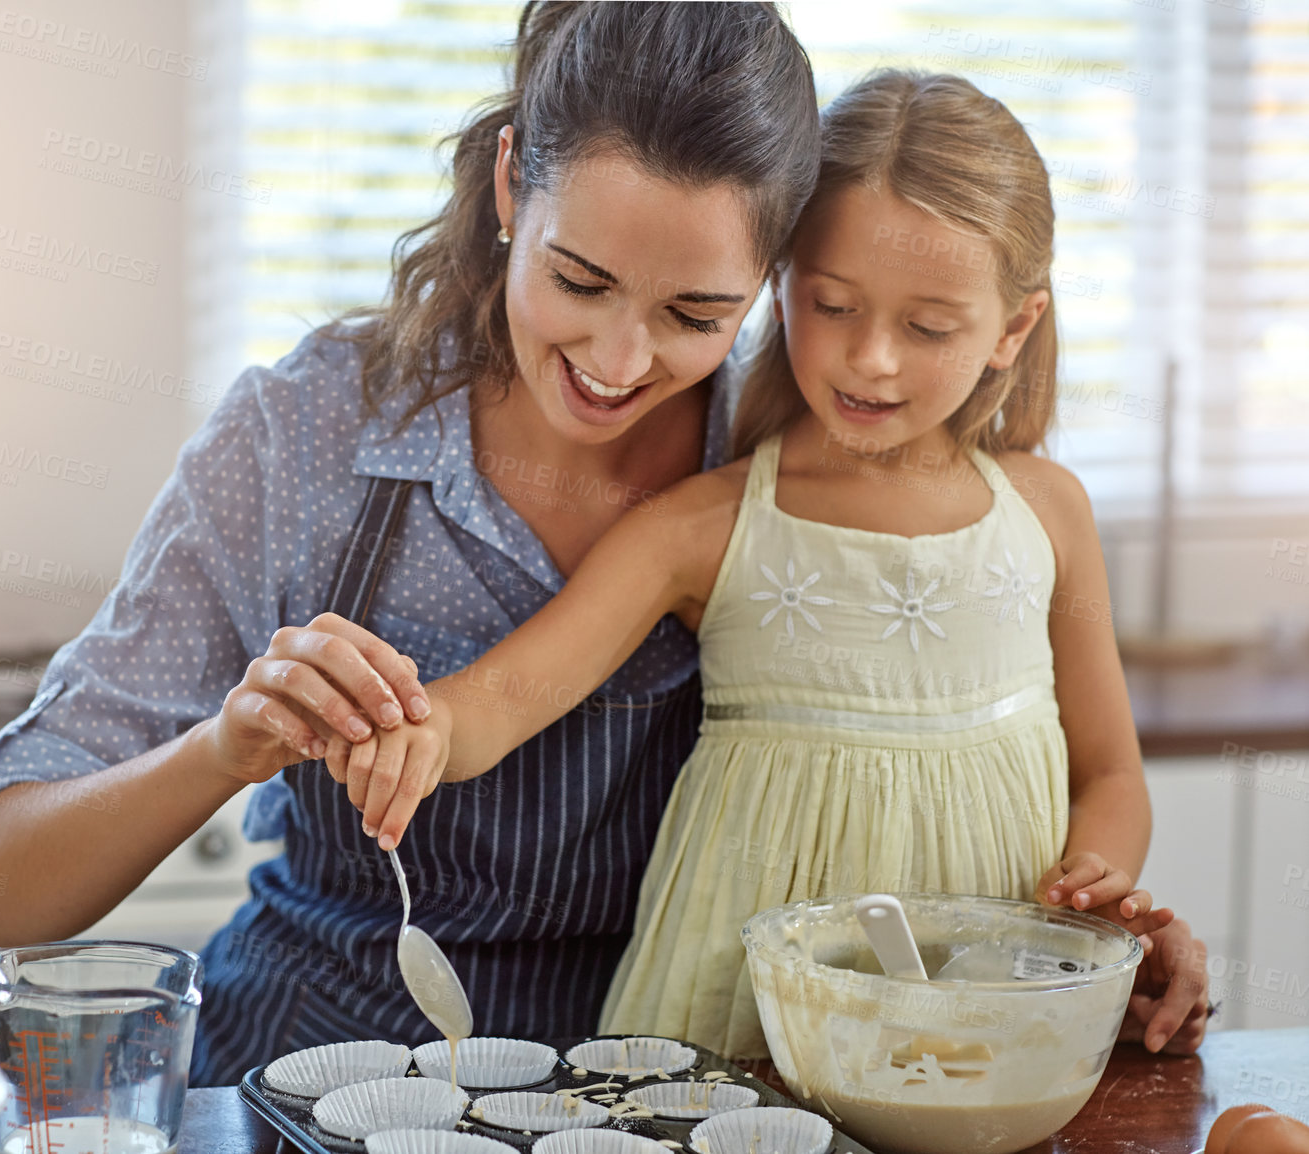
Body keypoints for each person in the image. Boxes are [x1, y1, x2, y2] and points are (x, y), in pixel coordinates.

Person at [0, 2, 824, 1086]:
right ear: (508, 185)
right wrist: (226, 746)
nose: (618, 356)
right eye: (578, 280)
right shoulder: (302, 435)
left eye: (695, 314)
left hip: (647, 1090)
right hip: (311, 1076)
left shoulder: (796, 460)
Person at [324, 70, 1212, 1059]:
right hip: (737, 1022)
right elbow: (499, 701)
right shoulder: (700, 524)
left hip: (984, 1007)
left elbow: (1108, 772)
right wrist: (412, 726)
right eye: (833, 305)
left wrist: (1092, 883)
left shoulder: (1048, 512)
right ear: (777, 287)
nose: (871, 357)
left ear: (1013, 327)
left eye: (926, 327)